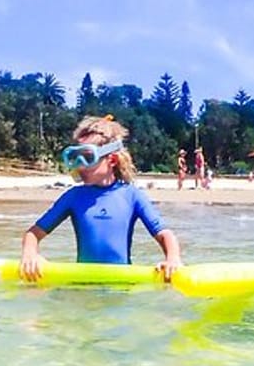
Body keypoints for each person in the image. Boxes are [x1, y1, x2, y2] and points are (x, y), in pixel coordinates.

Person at [21, 116, 182, 281]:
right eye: (75, 157)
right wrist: (30, 254)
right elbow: (33, 233)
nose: (80, 165)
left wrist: (172, 259)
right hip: (83, 287)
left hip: (122, 286)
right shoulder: (73, 197)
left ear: (111, 160)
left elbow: (165, 234)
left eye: (88, 157)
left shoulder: (132, 195)